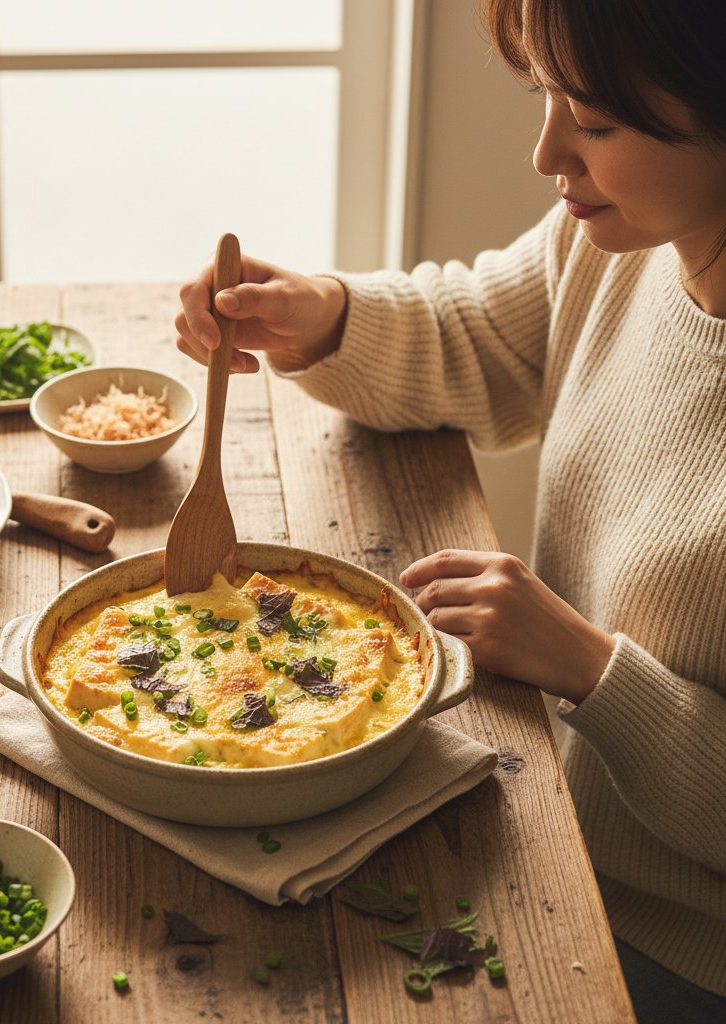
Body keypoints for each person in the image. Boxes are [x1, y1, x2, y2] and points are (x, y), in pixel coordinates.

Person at [174, 0, 726, 1019]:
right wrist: (321, 319)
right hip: (545, 817)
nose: (545, 151)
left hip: (679, 951)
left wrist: (587, 667)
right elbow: (474, 329)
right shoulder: (621, 240)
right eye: (544, 97)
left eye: (595, 121)